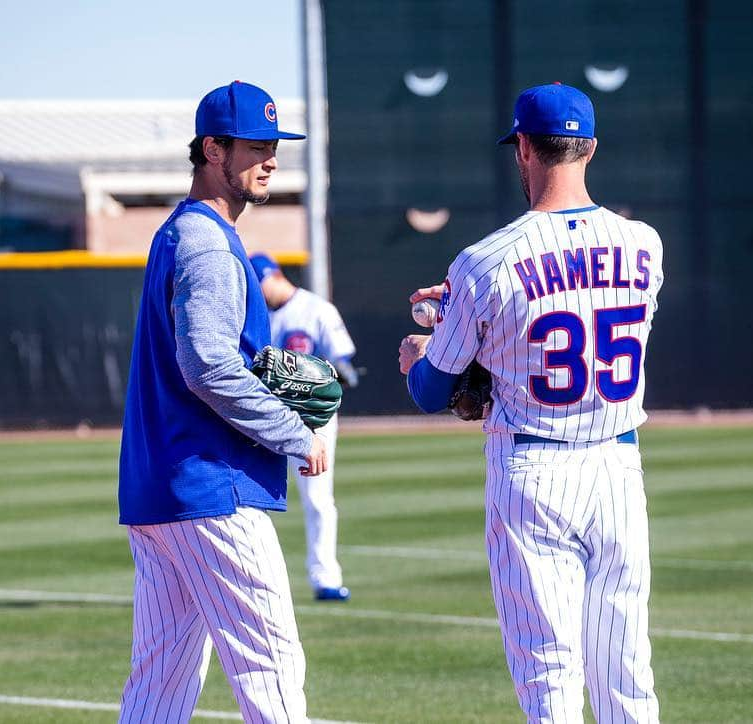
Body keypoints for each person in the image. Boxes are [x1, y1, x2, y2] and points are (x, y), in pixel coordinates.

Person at [398, 83, 664, 723]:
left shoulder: (484, 262)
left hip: (534, 471)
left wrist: (421, 348)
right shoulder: (646, 244)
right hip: (618, 466)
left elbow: (434, 390)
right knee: (626, 671)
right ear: (590, 147)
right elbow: (580, 294)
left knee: (549, 673)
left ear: (522, 147)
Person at [117, 81, 323, 724]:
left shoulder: (178, 232)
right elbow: (206, 364)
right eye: (256, 147)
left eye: (274, 146)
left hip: (162, 490)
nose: (270, 160)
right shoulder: (207, 241)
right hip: (214, 489)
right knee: (272, 664)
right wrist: (295, 430)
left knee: (161, 680)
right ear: (213, 149)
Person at [250, 253, 358, 601]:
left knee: (317, 498)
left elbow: (344, 368)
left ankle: (325, 578)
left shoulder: (317, 310)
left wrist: (318, 379)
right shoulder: (255, 314)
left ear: (276, 275)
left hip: (312, 420)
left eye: (259, 282)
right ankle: (252, 581)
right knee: (251, 498)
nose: (258, 291)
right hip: (264, 418)